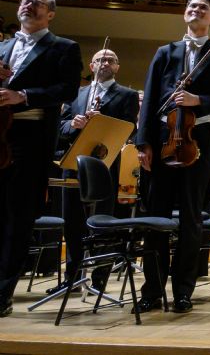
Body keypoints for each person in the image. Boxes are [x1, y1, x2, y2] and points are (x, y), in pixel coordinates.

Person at [134, 0, 210, 314]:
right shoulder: (165, 53)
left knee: (192, 220)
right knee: (156, 219)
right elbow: (151, 99)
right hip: (164, 142)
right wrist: (143, 143)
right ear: (185, 14)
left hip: (199, 145)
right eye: (192, 6)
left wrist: (199, 101)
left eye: (203, 8)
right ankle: (152, 289)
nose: (196, 10)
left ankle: (183, 290)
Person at [0, 0, 82, 318]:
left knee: (17, 218)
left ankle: (3, 291)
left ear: (51, 14)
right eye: (25, 1)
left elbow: (67, 90)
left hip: (28, 139)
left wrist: (23, 95)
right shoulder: (3, 46)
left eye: (38, 3)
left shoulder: (63, 47)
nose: (29, 5)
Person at [54, 47, 138, 295]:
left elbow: (130, 128)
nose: (105, 62)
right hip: (73, 163)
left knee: (103, 222)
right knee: (73, 222)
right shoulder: (76, 94)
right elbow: (60, 127)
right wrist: (73, 123)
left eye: (111, 60)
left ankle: (100, 278)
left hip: (106, 164)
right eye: (100, 59)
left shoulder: (127, 94)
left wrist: (102, 123)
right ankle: (72, 278)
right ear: (91, 66)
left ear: (117, 67)